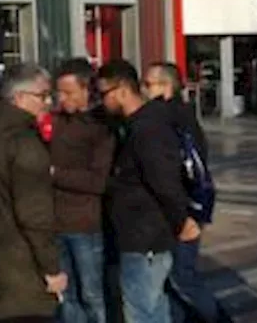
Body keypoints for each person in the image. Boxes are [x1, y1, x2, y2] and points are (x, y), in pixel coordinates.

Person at [0, 63, 67, 322]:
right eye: (42, 95)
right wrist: (52, 269)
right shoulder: (23, 143)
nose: (48, 102)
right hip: (20, 271)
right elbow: (34, 214)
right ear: (19, 98)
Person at [98, 59, 197, 323]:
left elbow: (164, 181)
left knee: (142, 311)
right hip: (141, 234)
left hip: (145, 237)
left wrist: (181, 220)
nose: (101, 101)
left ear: (122, 90)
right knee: (153, 308)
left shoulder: (147, 129)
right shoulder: (135, 126)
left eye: (104, 93)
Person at [143, 63, 231, 323]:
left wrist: (190, 212)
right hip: (181, 207)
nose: (144, 90)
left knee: (182, 275)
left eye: (148, 84)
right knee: (174, 278)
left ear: (166, 87)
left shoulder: (172, 119)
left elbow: (191, 169)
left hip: (183, 208)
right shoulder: (177, 116)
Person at [51, 59, 116, 323]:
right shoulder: (54, 122)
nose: (61, 98)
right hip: (55, 223)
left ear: (86, 90)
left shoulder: (100, 127)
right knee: (66, 296)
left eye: (68, 92)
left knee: (92, 295)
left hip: (85, 225)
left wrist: (56, 175)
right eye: (59, 92)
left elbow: (98, 180)